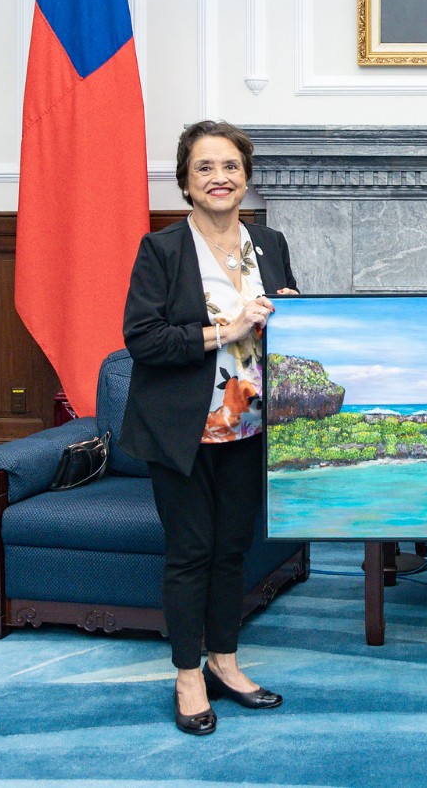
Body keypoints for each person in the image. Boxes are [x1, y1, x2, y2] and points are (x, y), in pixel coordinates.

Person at [118, 119, 299, 737]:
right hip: (182, 429)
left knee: (232, 548)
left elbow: (281, 323)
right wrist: (229, 328)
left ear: (246, 178)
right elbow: (143, 340)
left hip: (251, 426)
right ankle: (188, 674)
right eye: (205, 168)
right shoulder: (162, 250)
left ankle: (225, 660)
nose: (219, 178)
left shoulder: (269, 243)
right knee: (191, 550)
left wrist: (289, 313)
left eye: (230, 166)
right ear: (186, 182)